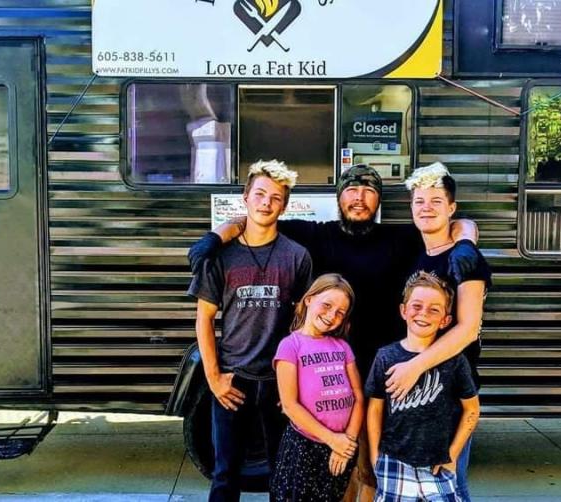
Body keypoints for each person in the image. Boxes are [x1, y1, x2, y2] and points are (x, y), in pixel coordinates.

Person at [188, 165, 477, 501]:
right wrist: (215, 235)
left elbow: (453, 224)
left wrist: (467, 243)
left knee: (374, 465)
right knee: (322, 466)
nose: (359, 197)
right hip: (328, 371)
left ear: (379, 200)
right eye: (351, 190)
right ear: (339, 197)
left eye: (369, 191)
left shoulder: (400, 237)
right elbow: (256, 219)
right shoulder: (314, 235)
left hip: (389, 369)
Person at [187, 159, 313, 502]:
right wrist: (214, 378)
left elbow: (303, 324)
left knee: (282, 472)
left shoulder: (298, 256)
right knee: (225, 474)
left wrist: (297, 381)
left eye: (275, 197)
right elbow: (204, 319)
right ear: (245, 198)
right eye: (259, 194)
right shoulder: (220, 256)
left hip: (278, 379)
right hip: (233, 377)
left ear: (284, 205)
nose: (266, 203)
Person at [383, 163, 491, 501]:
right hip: (415, 389)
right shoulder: (418, 256)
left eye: (435, 201)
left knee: (449, 480)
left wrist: (414, 366)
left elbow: (468, 329)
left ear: (451, 208)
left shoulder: (466, 259)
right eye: (419, 201)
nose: (426, 208)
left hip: (450, 390)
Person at [366, 271, 481, 502]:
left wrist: (453, 456)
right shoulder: (386, 357)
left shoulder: (455, 361)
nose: (423, 314)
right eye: (416, 306)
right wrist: (375, 456)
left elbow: (472, 409)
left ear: (445, 320)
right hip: (393, 461)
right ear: (403, 311)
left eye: (434, 309)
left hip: (438, 464)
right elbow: (375, 409)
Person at [271, 273, 365, 502]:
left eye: (340, 313)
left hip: (342, 447)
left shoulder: (342, 347)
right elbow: (290, 405)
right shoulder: (290, 346)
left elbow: (358, 398)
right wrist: (332, 439)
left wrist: (347, 443)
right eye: (327, 305)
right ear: (309, 299)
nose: (332, 315)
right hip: (304, 449)